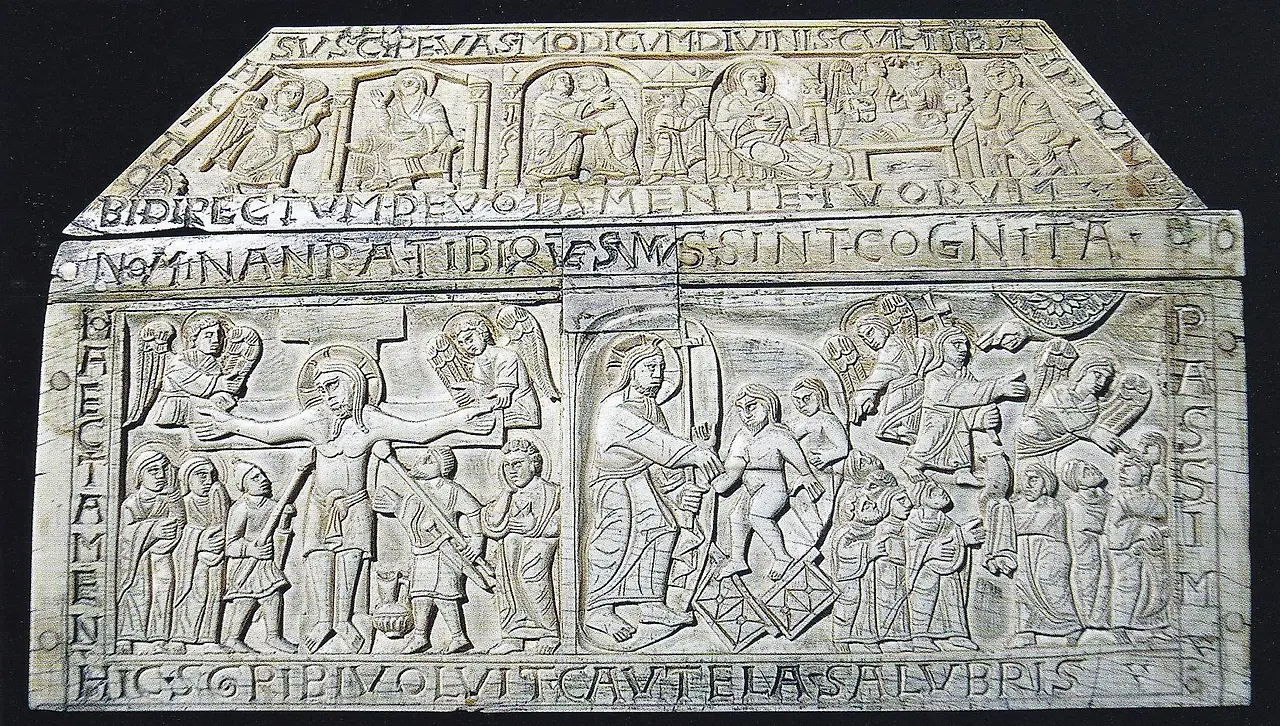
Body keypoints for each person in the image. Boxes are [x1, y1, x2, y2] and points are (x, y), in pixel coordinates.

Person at [193, 352, 491, 654]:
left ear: (354, 382)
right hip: (320, 504)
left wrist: (458, 420)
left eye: (333, 385)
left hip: (356, 504)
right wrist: (231, 424)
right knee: (319, 557)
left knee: (352, 558)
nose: (328, 395)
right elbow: (270, 433)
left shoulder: (371, 421)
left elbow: (418, 431)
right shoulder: (316, 419)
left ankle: (343, 620)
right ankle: (323, 621)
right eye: (322, 389)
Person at [583, 334, 724, 643]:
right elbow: (654, 443)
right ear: (630, 370)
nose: (657, 374)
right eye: (649, 367)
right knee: (613, 539)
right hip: (612, 482)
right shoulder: (614, 409)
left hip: (640, 479)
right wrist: (694, 453)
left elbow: (660, 463)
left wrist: (679, 491)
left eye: (660, 368)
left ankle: (650, 604)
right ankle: (598, 609)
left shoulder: (651, 407)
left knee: (663, 530)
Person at [373, 447, 483, 654]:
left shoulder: (451, 490)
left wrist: (476, 540)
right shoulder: (414, 488)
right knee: (420, 594)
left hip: (445, 549)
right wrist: (397, 506)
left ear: (443, 468)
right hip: (420, 550)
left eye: (430, 460)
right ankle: (420, 636)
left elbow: (474, 510)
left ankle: (458, 636)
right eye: (423, 457)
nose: (421, 460)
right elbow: (408, 513)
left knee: (445, 594)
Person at [710, 385, 825, 580]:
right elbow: (733, 469)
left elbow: (795, 456)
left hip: (772, 488)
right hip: (750, 489)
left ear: (768, 405)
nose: (746, 414)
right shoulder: (742, 436)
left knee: (758, 516)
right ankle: (737, 559)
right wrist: (710, 451)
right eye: (741, 409)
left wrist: (806, 474)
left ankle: (782, 557)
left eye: (752, 406)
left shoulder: (777, 434)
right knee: (737, 517)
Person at [906, 326, 1027, 484]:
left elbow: (971, 404)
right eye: (956, 344)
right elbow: (963, 393)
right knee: (929, 443)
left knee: (961, 439)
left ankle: (962, 472)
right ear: (940, 348)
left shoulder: (964, 374)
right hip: (937, 422)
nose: (963, 349)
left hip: (958, 423)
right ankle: (910, 465)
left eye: (965, 345)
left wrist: (983, 416)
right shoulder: (935, 376)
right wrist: (998, 388)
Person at [710, 63, 857, 182]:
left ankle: (819, 163)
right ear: (740, 81)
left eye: (761, 78)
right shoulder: (731, 101)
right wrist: (752, 125)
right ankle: (805, 170)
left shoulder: (773, 101)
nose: (758, 80)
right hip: (746, 144)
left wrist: (794, 134)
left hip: (778, 140)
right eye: (752, 77)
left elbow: (781, 125)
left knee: (802, 147)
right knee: (768, 151)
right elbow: (719, 127)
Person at [484, 439, 561, 655]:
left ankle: (549, 632)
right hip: (510, 549)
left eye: (518, 464)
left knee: (530, 576)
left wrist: (537, 525)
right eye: (507, 465)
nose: (512, 470)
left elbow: (566, 518)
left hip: (539, 543)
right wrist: (506, 492)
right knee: (507, 585)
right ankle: (513, 636)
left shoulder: (551, 492)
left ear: (534, 464)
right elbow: (492, 524)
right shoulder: (510, 494)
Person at [831, 468, 912, 652]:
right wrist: (868, 550)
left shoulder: (875, 528)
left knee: (869, 604)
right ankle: (841, 637)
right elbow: (842, 551)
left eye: (873, 506)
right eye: (867, 507)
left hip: (868, 578)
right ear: (853, 511)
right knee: (850, 603)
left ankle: (868, 637)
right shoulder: (846, 531)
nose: (873, 509)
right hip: (850, 580)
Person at [221, 461, 297, 654]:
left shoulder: (273, 506)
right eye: (255, 478)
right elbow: (230, 545)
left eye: (263, 475)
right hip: (246, 564)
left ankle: (274, 636)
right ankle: (233, 638)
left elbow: (280, 536)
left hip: (265, 563)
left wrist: (285, 520)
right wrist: (250, 549)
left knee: (273, 595)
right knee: (246, 599)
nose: (264, 480)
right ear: (244, 485)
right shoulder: (241, 508)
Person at [117, 449, 185, 654]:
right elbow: (125, 534)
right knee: (136, 592)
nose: (160, 475)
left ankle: (159, 638)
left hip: (161, 555)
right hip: (136, 560)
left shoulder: (168, 500)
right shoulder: (131, 504)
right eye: (153, 471)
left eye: (164, 470)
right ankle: (128, 637)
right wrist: (154, 530)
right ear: (140, 475)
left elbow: (179, 523)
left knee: (163, 591)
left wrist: (174, 502)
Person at [902, 482, 983, 651]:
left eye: (941, 489)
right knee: (924, 596)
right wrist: (930, 550)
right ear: (922, 498)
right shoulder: (913, 521)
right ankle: (920, 636)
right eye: (934, 493)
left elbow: (955, 535)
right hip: (924, 570)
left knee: (952, 594)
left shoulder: (945, 521)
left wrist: (963, 538)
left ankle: (957, 634)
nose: (942, 493)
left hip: (947, 568)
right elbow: (909, 548)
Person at [1008, 463, 1082, 647]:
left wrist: (1005, 518)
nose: (1027, 484)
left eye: (1034, 479)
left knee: (1052, 588)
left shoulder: (1053, 506)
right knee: (1024, 589)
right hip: (1026, 552)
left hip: (1051, 552)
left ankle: (1070, 627)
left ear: (1045, 484)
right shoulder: (1017, 505)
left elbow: (1032, 523)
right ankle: (1025, 633)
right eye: (1025, 479)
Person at [358, 69, 461, 191]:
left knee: (395, 153)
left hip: (426, 139)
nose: (407, 84)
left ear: (421, 85)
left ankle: (403, 181)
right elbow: (384, 129)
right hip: (400, 138)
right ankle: (382, 179)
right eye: (404, 82)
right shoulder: (396, 107)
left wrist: (419, 130)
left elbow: (441, 128)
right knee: (382, 147)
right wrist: (381, 107)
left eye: (411, 81)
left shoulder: (431, 104)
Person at [1107, 449, 1171, 642]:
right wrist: (1139, 529)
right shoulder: (1120, 500)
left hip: (1152, 550)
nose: (1122, 471)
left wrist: (1159, 532)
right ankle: (1120, 627)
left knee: (1157, 586)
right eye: (1121, 468)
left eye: (1129, 467)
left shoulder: (1155, 499)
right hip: (1127, 553)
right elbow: (1112, 531)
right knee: (1129, 586)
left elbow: (1164, 521)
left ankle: (1153, 626)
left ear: (1144, 472)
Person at [975, 59, 1076, 177]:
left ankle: (1049, 164)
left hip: (1043, 127)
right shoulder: (1001, 101)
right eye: (992, 78)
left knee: (1029, 139)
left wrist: (1011, 131)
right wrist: (994, 94)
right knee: (996, 139)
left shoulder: (1031, 96)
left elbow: (1035, 121)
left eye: (1001, 74)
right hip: (1019, 131)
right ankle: (1031, 164)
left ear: (1014, 74)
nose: (997, 80)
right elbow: (987, 118)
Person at [229, 79, 333, 192]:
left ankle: (275, 184)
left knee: (287, 151)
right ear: (276, 94)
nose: (292, 97)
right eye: (287, 92)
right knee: (268, 153)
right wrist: (312, 116)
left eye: (298, 94)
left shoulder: (296, 118)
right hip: (266, 149)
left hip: (283, 152)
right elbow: (283, 125)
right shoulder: (267, 116)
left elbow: (304, 136)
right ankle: (234, 179)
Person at [171, 456, 229, 651]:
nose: (208, 481)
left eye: (212, 476)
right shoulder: (184, 503)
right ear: (188, 479)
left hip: (216, 557)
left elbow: (224, 526)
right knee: (192, 594)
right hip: (191, 559)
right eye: (201, 475)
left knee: (214, 595)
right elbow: (175, 533)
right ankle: (179, 638)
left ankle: (209, 639)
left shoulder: (217, 499)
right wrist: (199, 540)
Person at [444, 311, 540, 428]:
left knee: (463, 421)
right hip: (498, 409)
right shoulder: (479, 361)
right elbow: (484, 390)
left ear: (482, 333)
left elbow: (502, 396)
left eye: (469, 339)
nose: (467, 346)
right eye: (462, 343)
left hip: (521, 410)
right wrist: (472, 389)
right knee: (459, 418)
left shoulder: (506, 355)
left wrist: (486, 393)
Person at [1016, 355, 1122, 460]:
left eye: (1106, 380)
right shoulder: (1059, 390)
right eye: (1098, 375)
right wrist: (1092, 432)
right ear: (1084, 371)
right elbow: (1067, 417)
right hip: (1027, 439)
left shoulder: (1092, 407)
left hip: (1053, 448)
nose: (1102, 383)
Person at [852, 314, 932, 445]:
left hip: (910, 396)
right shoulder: (899, 342)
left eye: (870, 332)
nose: (869, 340)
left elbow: (883, 374)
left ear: (883, 327)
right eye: (864, 338)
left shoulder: (893, 346)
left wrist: (863, 394)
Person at [1062, 459, 1112, 630]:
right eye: (1085, 472)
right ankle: (1090, 624)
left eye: (1091, 466)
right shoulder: (1073, 504)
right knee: (1089, 583)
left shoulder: (1111, 500)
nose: (1092, 470)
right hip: (1086, 555)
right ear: (1077, 482)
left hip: (1108, 551)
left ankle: (1106, 622)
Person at [524, 71, 594, 185]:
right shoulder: (545, 99)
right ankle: (534, 176)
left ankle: (564, 176)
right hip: (546, 131)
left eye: (570, 81)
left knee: (574, 138)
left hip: (564, 131)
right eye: (562, 79)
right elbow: (561, 112)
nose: (568, 83)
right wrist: (593, 107)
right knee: (544, 154)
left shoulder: (571, 101)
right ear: (552, 83)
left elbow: (575, 113)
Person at [576, 67, 639, 184]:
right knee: (589, 139)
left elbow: (620, 114)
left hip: (620, 125)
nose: (579, 81)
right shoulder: (586, 98)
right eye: (578, 78)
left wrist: (594, 123)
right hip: (600, 128)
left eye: (583, 77)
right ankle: (599, 172)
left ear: (597, 79)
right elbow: (579, 114)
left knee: (617, 138)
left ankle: (630, 171)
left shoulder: (608, 94)